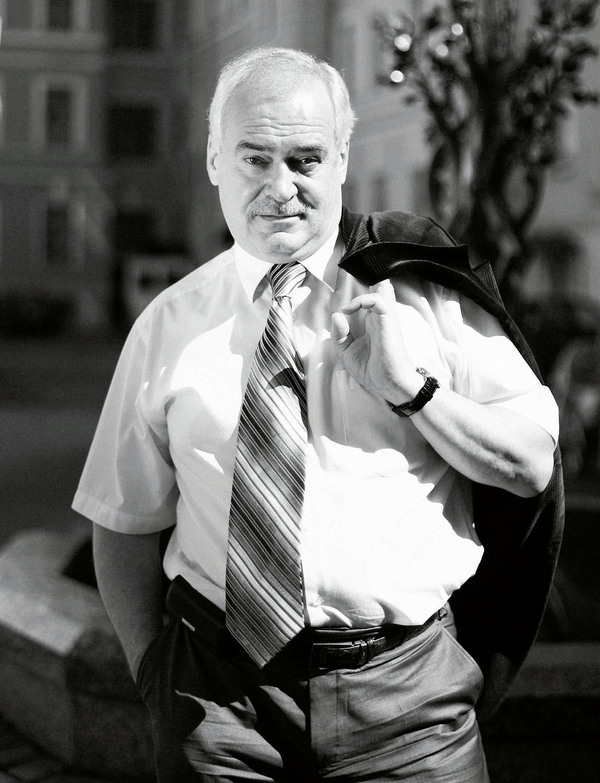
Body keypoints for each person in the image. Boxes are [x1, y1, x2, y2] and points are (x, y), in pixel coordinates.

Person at [73, 47, 561, 782]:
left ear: (341, 161)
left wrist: (413, 389)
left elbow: (531, 467)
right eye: (255, 159)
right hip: (218, 707)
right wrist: (155, 676)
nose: (281, 188)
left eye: (305, 160)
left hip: (406, 705)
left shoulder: (425, 295)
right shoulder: (168, 324)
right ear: (214, 161)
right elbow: (121, 518)